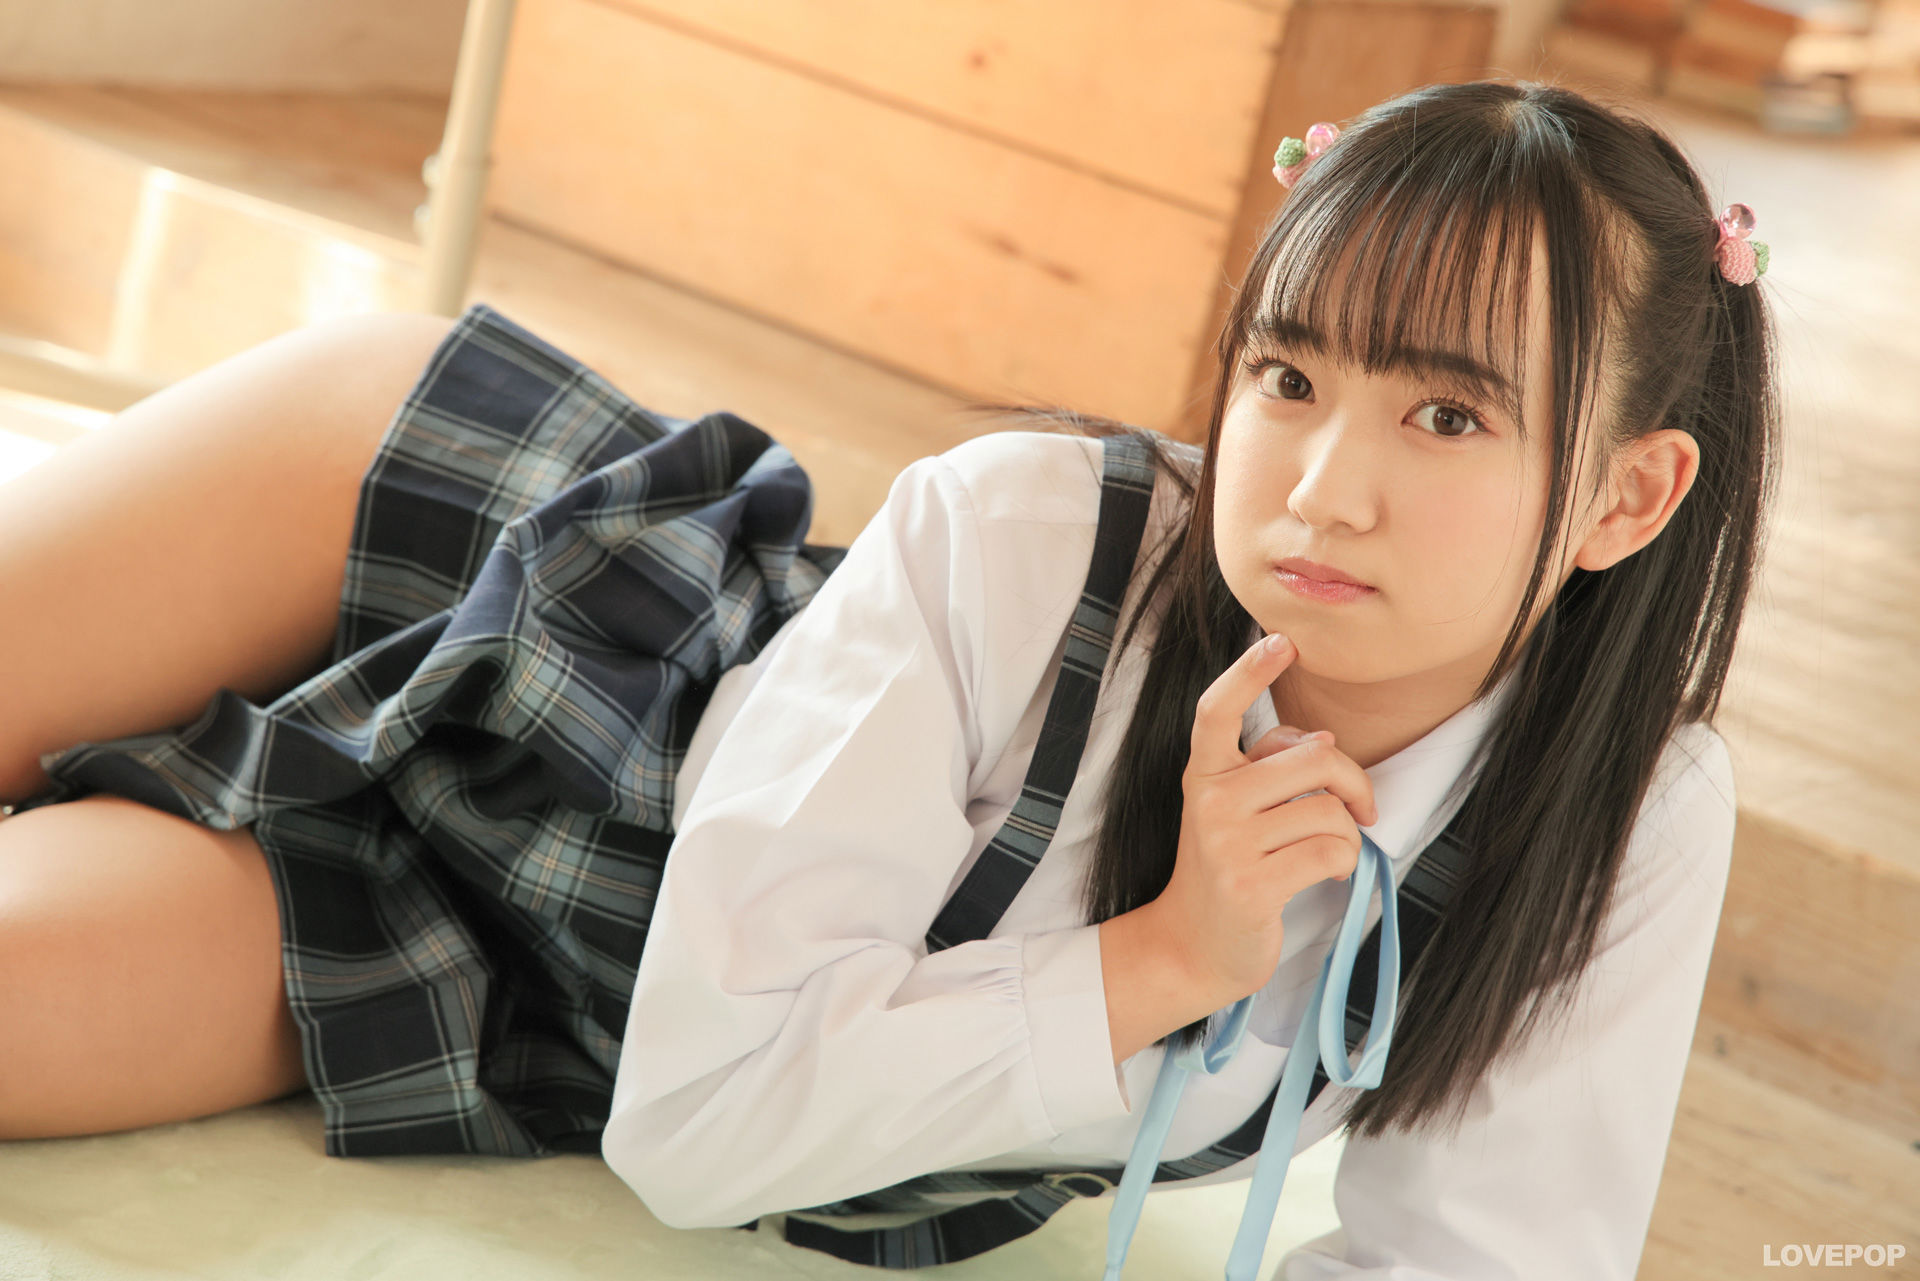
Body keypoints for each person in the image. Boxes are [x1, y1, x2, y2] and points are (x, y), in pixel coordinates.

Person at [0, 76, 1772, 1279]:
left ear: (1628, 494)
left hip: (520, 979)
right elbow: (717, 1105)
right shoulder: (1025, 532)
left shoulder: (1625, 816)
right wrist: (1165, 955)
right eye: (1289, 377)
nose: (1322, 487)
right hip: (475, 557)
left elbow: (1480, 1256)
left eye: (1448, 415)